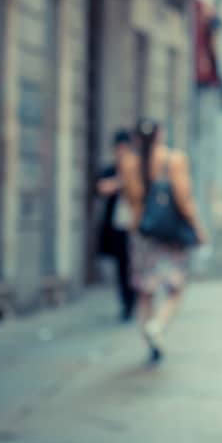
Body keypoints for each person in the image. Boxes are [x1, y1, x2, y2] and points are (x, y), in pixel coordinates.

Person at [119, 118, 208, 365]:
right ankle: (157, 326)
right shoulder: (174, 160)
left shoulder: (128, 163)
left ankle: (149, 334)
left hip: (140, 235)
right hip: (170, 237)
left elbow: (130, 200)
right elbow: (183, 199)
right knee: (175, 288)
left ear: (136, 138)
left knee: (145, 292)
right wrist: (198, 228)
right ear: (160, 134)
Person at [94, 129, 136, 321]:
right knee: (122, 266)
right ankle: (126, 303)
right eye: (119, 148)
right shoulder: (112, 169)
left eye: (124, 148)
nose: (121, 152)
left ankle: (135, 300)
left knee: (135, 266)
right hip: (118, 226)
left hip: (136, 226)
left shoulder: (138, 170)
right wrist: (122, 182)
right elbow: (101, 188)